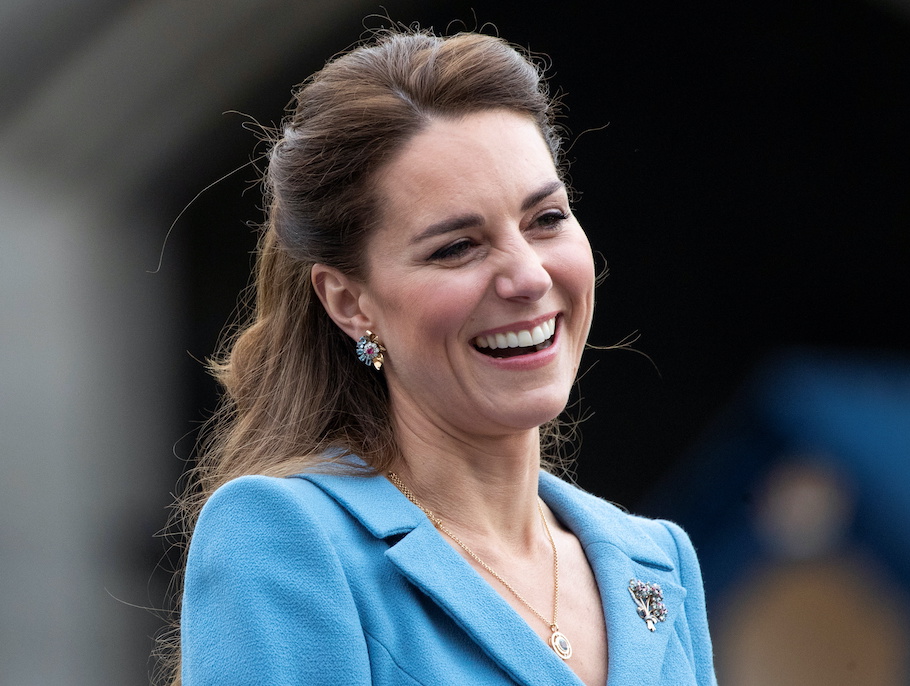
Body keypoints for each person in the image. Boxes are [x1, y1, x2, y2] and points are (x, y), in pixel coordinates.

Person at [169, 26, 716, 686]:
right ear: (350, 302)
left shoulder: (657, 560)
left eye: (546, 219)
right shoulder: (286, 537)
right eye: (457, 247)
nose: (529, 276)